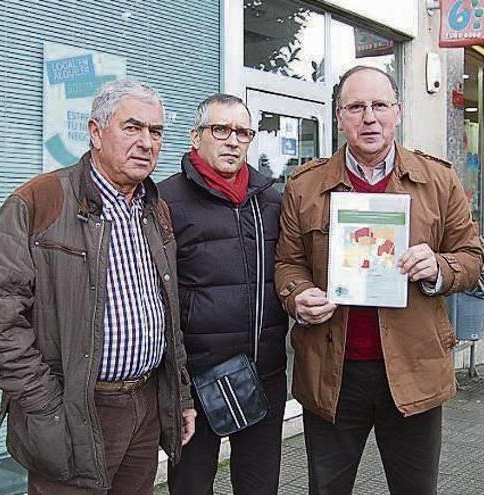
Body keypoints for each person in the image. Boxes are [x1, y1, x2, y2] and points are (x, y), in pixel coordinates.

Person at [0, 80, 196, 495]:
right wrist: (45, 405)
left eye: (156, 131)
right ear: (95, 131)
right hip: (74, 410)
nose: (147, 143)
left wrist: (178, 395)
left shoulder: (155, 209)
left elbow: (168, 312)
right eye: (132, 127)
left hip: (144, 405)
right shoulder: (40, 201)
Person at [274, 66, 483, 495]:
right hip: (332, 373)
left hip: (412, 369)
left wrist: (439, 268)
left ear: (398, 112)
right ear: (339, 116)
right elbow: (288, 263)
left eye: (379, 105)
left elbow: (473, 258)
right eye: (355, 107)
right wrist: (297, 296)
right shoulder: (305, 185)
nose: (369, 118)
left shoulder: (438, 181)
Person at [159, 94, 289, 494]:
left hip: (263, 373)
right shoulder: (165, 201)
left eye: (243, 132)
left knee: (259, 486)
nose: (233, 141)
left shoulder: (271, 200)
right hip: (197, 380)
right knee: (192, 487)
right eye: (221, 130)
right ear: (195, 137)